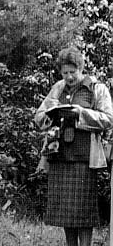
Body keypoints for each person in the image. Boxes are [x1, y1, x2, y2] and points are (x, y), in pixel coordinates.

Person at [35, 47, 113, 246]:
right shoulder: (58, 88)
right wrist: (51, 114)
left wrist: (80, 113)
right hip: (60, 156)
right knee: (65, 213)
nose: (69, 77)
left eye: (73, 72)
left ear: (81, 68)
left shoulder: (96, 88)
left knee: (83, 212)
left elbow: (108, 119)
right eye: (65, 72)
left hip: (84, 158)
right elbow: (39, 117)